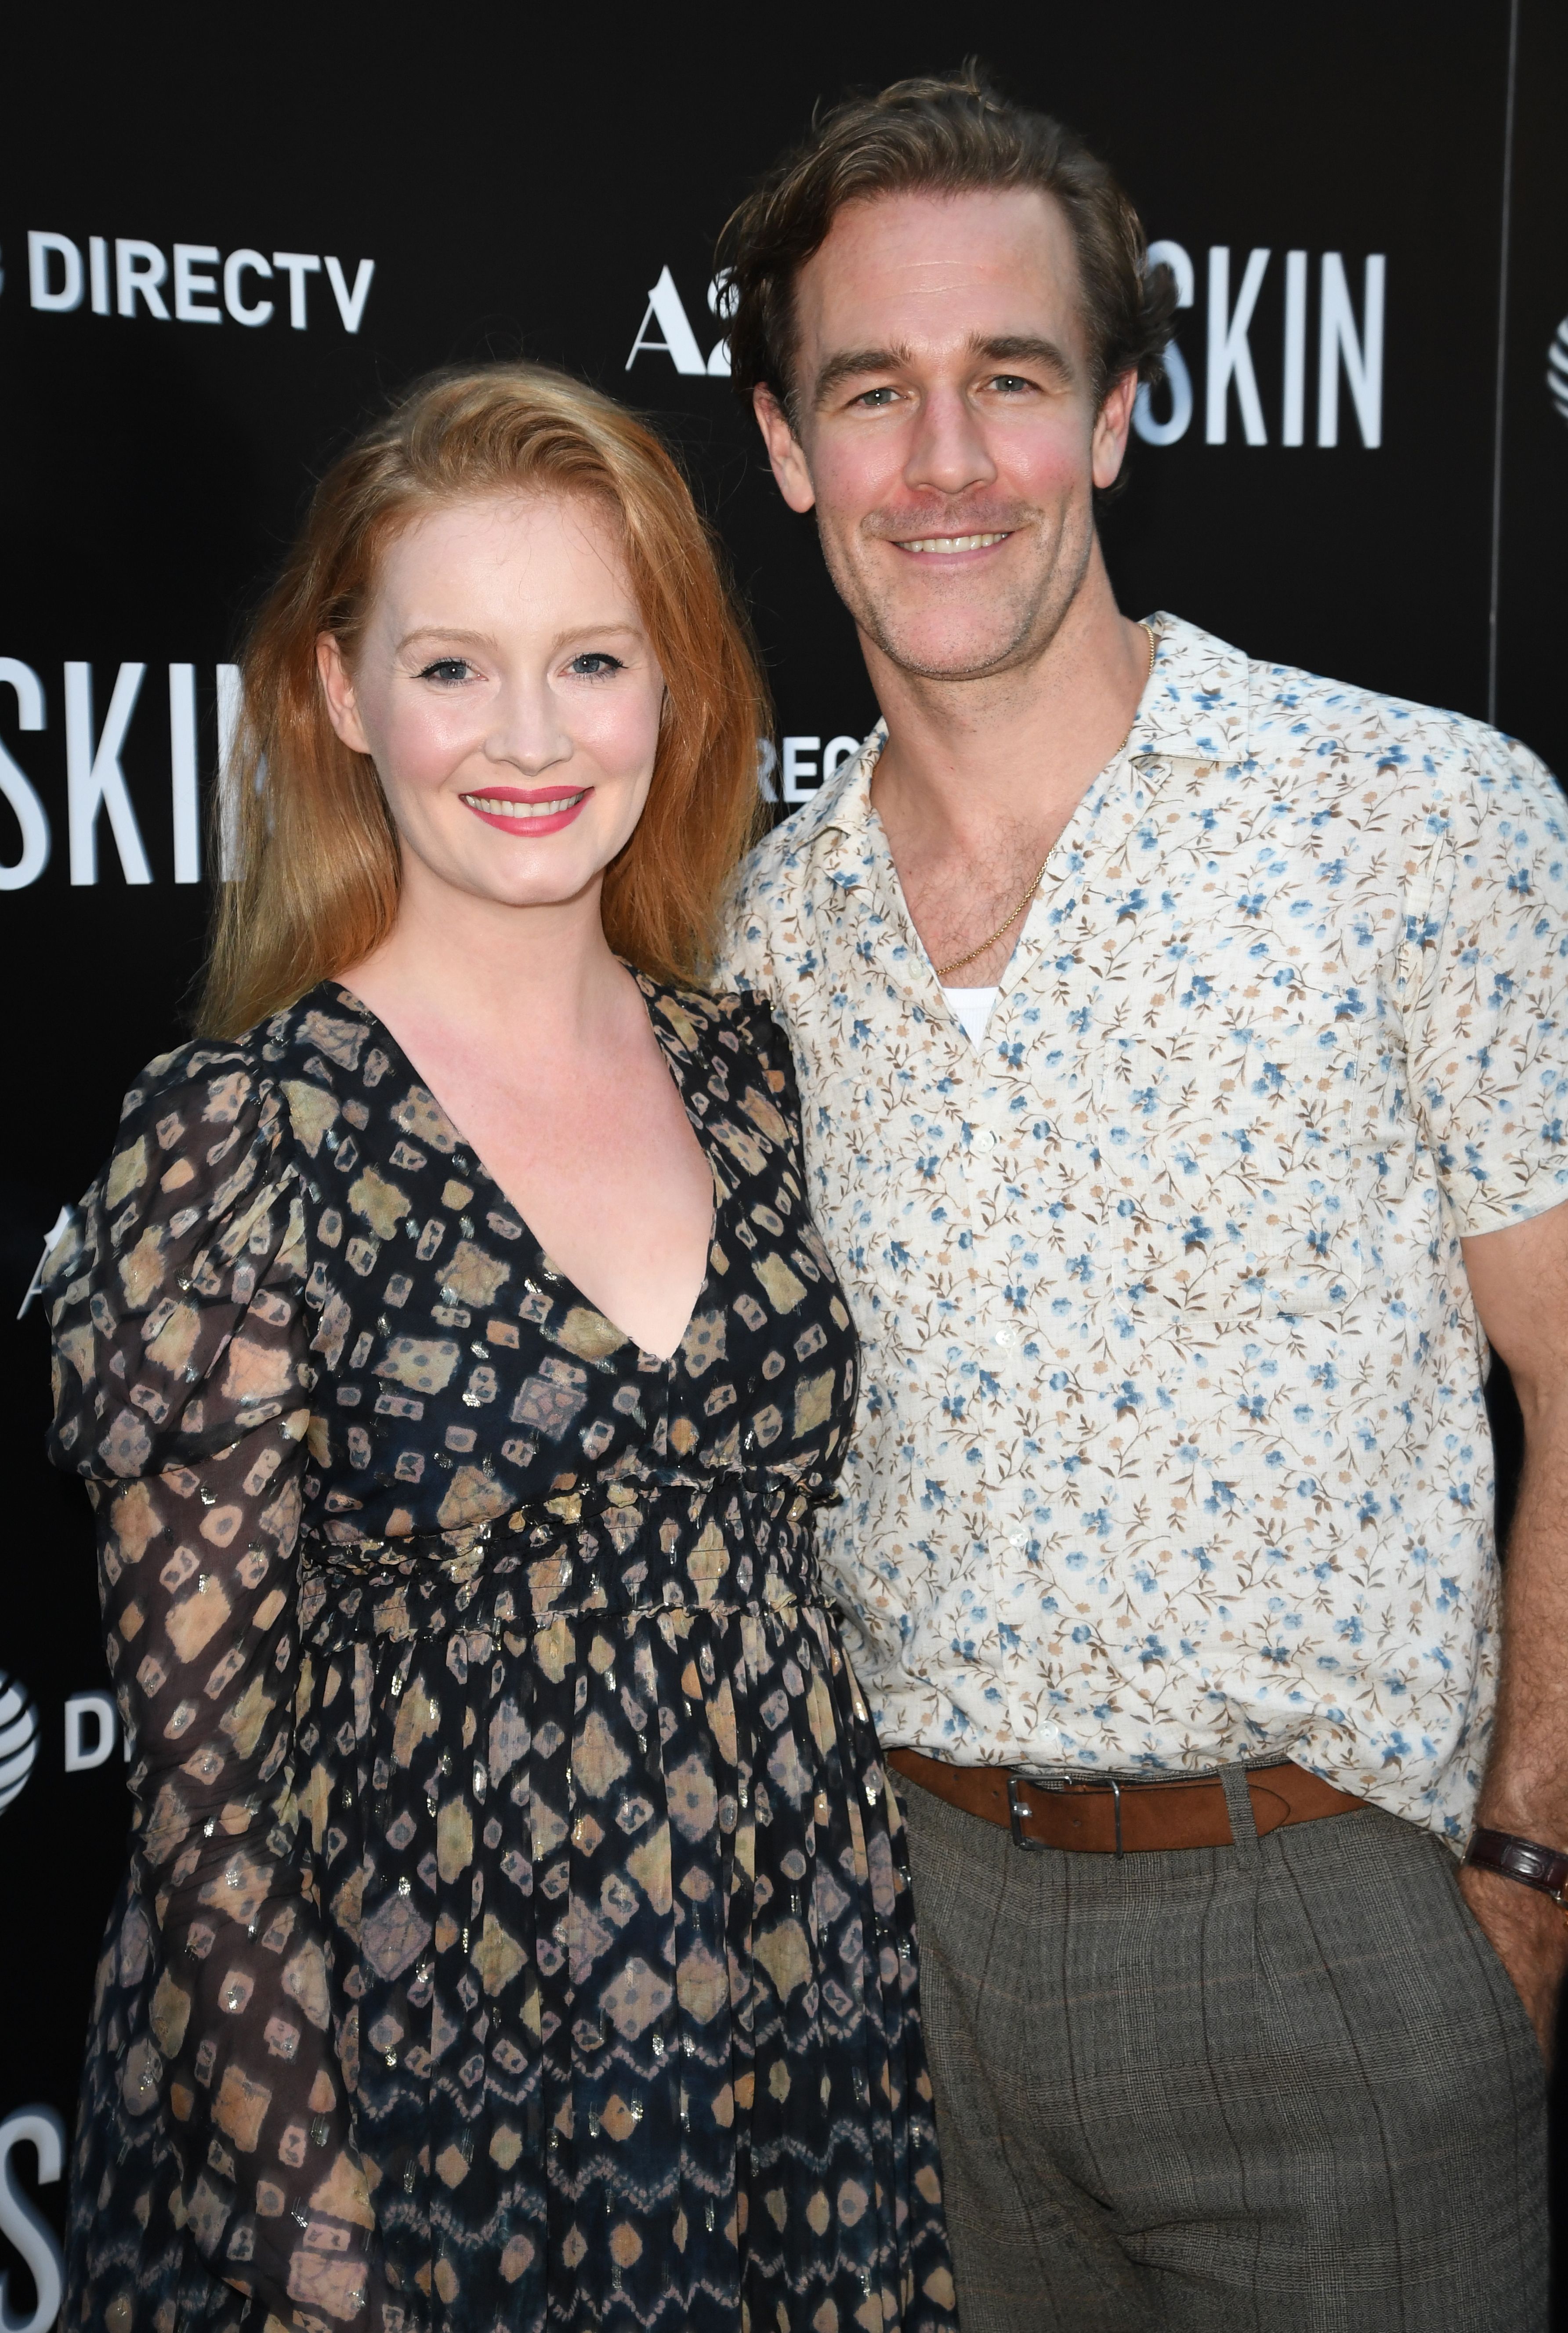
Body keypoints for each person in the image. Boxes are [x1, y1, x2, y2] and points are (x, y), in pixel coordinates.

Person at [714, 66, 1568, 2331]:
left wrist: (1521, 1879)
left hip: (1326, 1933)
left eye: (1010, 378)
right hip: (910, 1961)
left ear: (1107, 417)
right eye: (870, 393)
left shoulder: (1411, 816)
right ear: (790, 453)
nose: (945, 460)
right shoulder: (753, 935)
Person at [43, 365, 956, 2333]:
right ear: (335, 695)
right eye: (453, 667)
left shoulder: (746, 1069)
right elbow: (202, 1791)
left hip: (783, 2055)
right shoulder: (236, 1139)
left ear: (677, 691)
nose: (529, 739)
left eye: (591, 661)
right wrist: (307, 2222)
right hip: (415, 2096)